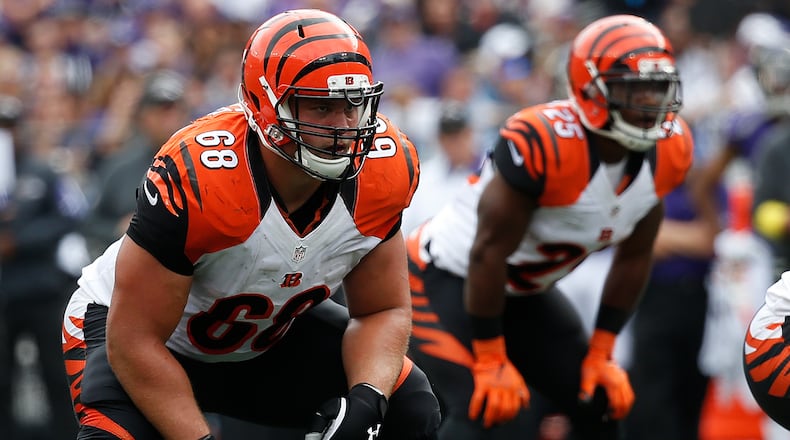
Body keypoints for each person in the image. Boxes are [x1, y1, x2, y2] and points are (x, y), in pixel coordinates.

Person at [60, 9, 441, 440]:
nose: (345, 127)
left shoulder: (385, 168)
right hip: (137, 337)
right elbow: (133, 343)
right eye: (322, 106)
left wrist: (367, 401)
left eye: (353, 105)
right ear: (265, 105)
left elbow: (382, 309)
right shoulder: (204, 177)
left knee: (408, 405)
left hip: (262, 341)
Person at [406, 14, 693, 439]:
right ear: (591, 87)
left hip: (522, 291)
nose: (650, 101)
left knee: (599, 400)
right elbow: (487, 252)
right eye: (634, 88)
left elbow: (635, 255)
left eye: (657, 86)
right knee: (490, 409)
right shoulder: (545, 142)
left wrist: (601, 351)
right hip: (444, 278)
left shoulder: (670, 150)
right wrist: (489, 357)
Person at [0, 94, 83, 438]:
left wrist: (21, 240)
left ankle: (65, 434)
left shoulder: (42, 172)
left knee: (56, 372)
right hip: (3, 294)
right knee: (2, 378)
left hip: (41, 289)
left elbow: (70, 216)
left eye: (10, 127)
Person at [80, 69, 190, 259]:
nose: (170, 120)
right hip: (128, 269)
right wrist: (118, 229)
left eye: (175, 110)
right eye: (161, 111)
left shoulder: (200, 166)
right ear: (143, 116)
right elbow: (90, 224)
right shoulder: (119, 167)